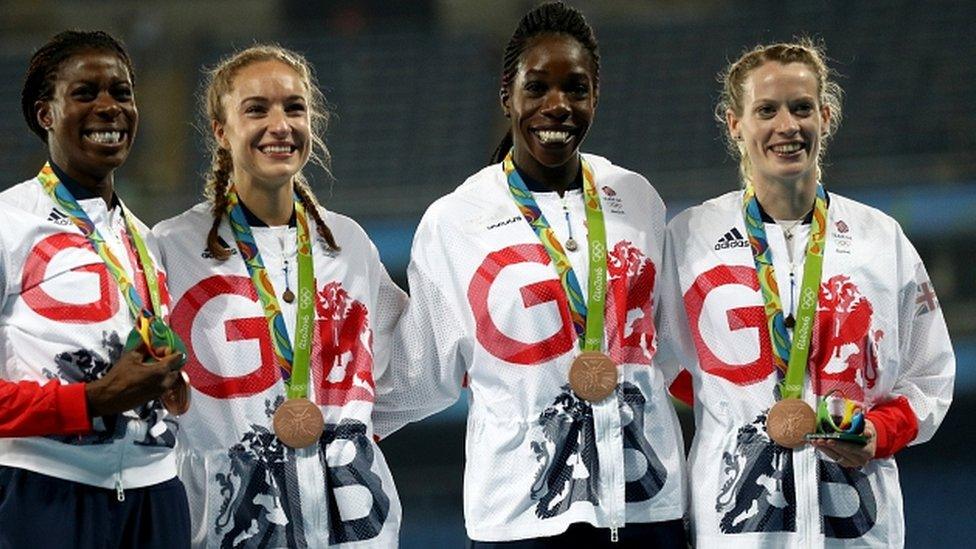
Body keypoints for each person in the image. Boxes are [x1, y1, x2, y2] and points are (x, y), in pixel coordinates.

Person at [373, 2, 687, 546]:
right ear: (507, 94)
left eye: (576, 88)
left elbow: (667, 341)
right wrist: (336, 415)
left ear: (595, 95)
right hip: (520, 513)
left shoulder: (636, 198)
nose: (557, 106)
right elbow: (422, 370)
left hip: (646, 504)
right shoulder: (456, 220)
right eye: (538, 87)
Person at [658, 39, 955, 547]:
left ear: (826, 115)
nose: (787, 126)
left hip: (858, 528)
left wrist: (878, 432)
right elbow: (655, 363)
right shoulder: (688, 239)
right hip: (735, 531)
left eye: (801, 108)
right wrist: (739, 403)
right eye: (766, 111)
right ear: (735, 123)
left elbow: (928, 375)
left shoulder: (880, 240)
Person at [152, 45, 408, 547]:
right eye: (256, 109)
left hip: (353, 528)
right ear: (221, 131)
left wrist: (350, 433)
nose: (280, 124)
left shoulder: (347, 242)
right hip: (230, 526)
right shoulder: (172, 248)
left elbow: (411, 364)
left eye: (294, 107)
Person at [0, 30, 190, 548]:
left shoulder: (145, 240)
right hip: (44, 491)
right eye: (86, 93)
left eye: (121, 93)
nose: (110, 107)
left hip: (157, 492)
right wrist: (93, 400)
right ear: (46, 114)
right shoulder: (7, 222)